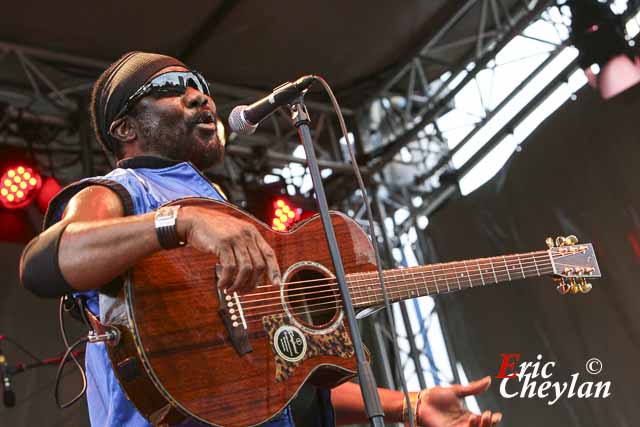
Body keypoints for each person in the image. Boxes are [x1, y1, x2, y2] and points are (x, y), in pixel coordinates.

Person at [19, 52, 502, 427]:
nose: (199, 97)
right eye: (170, 87)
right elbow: (47, 261)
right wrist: (179, 222)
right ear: (124, 127)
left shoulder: (229, 220)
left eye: (201, 86)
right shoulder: (126, 189)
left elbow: (283, 375)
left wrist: (410, 404)